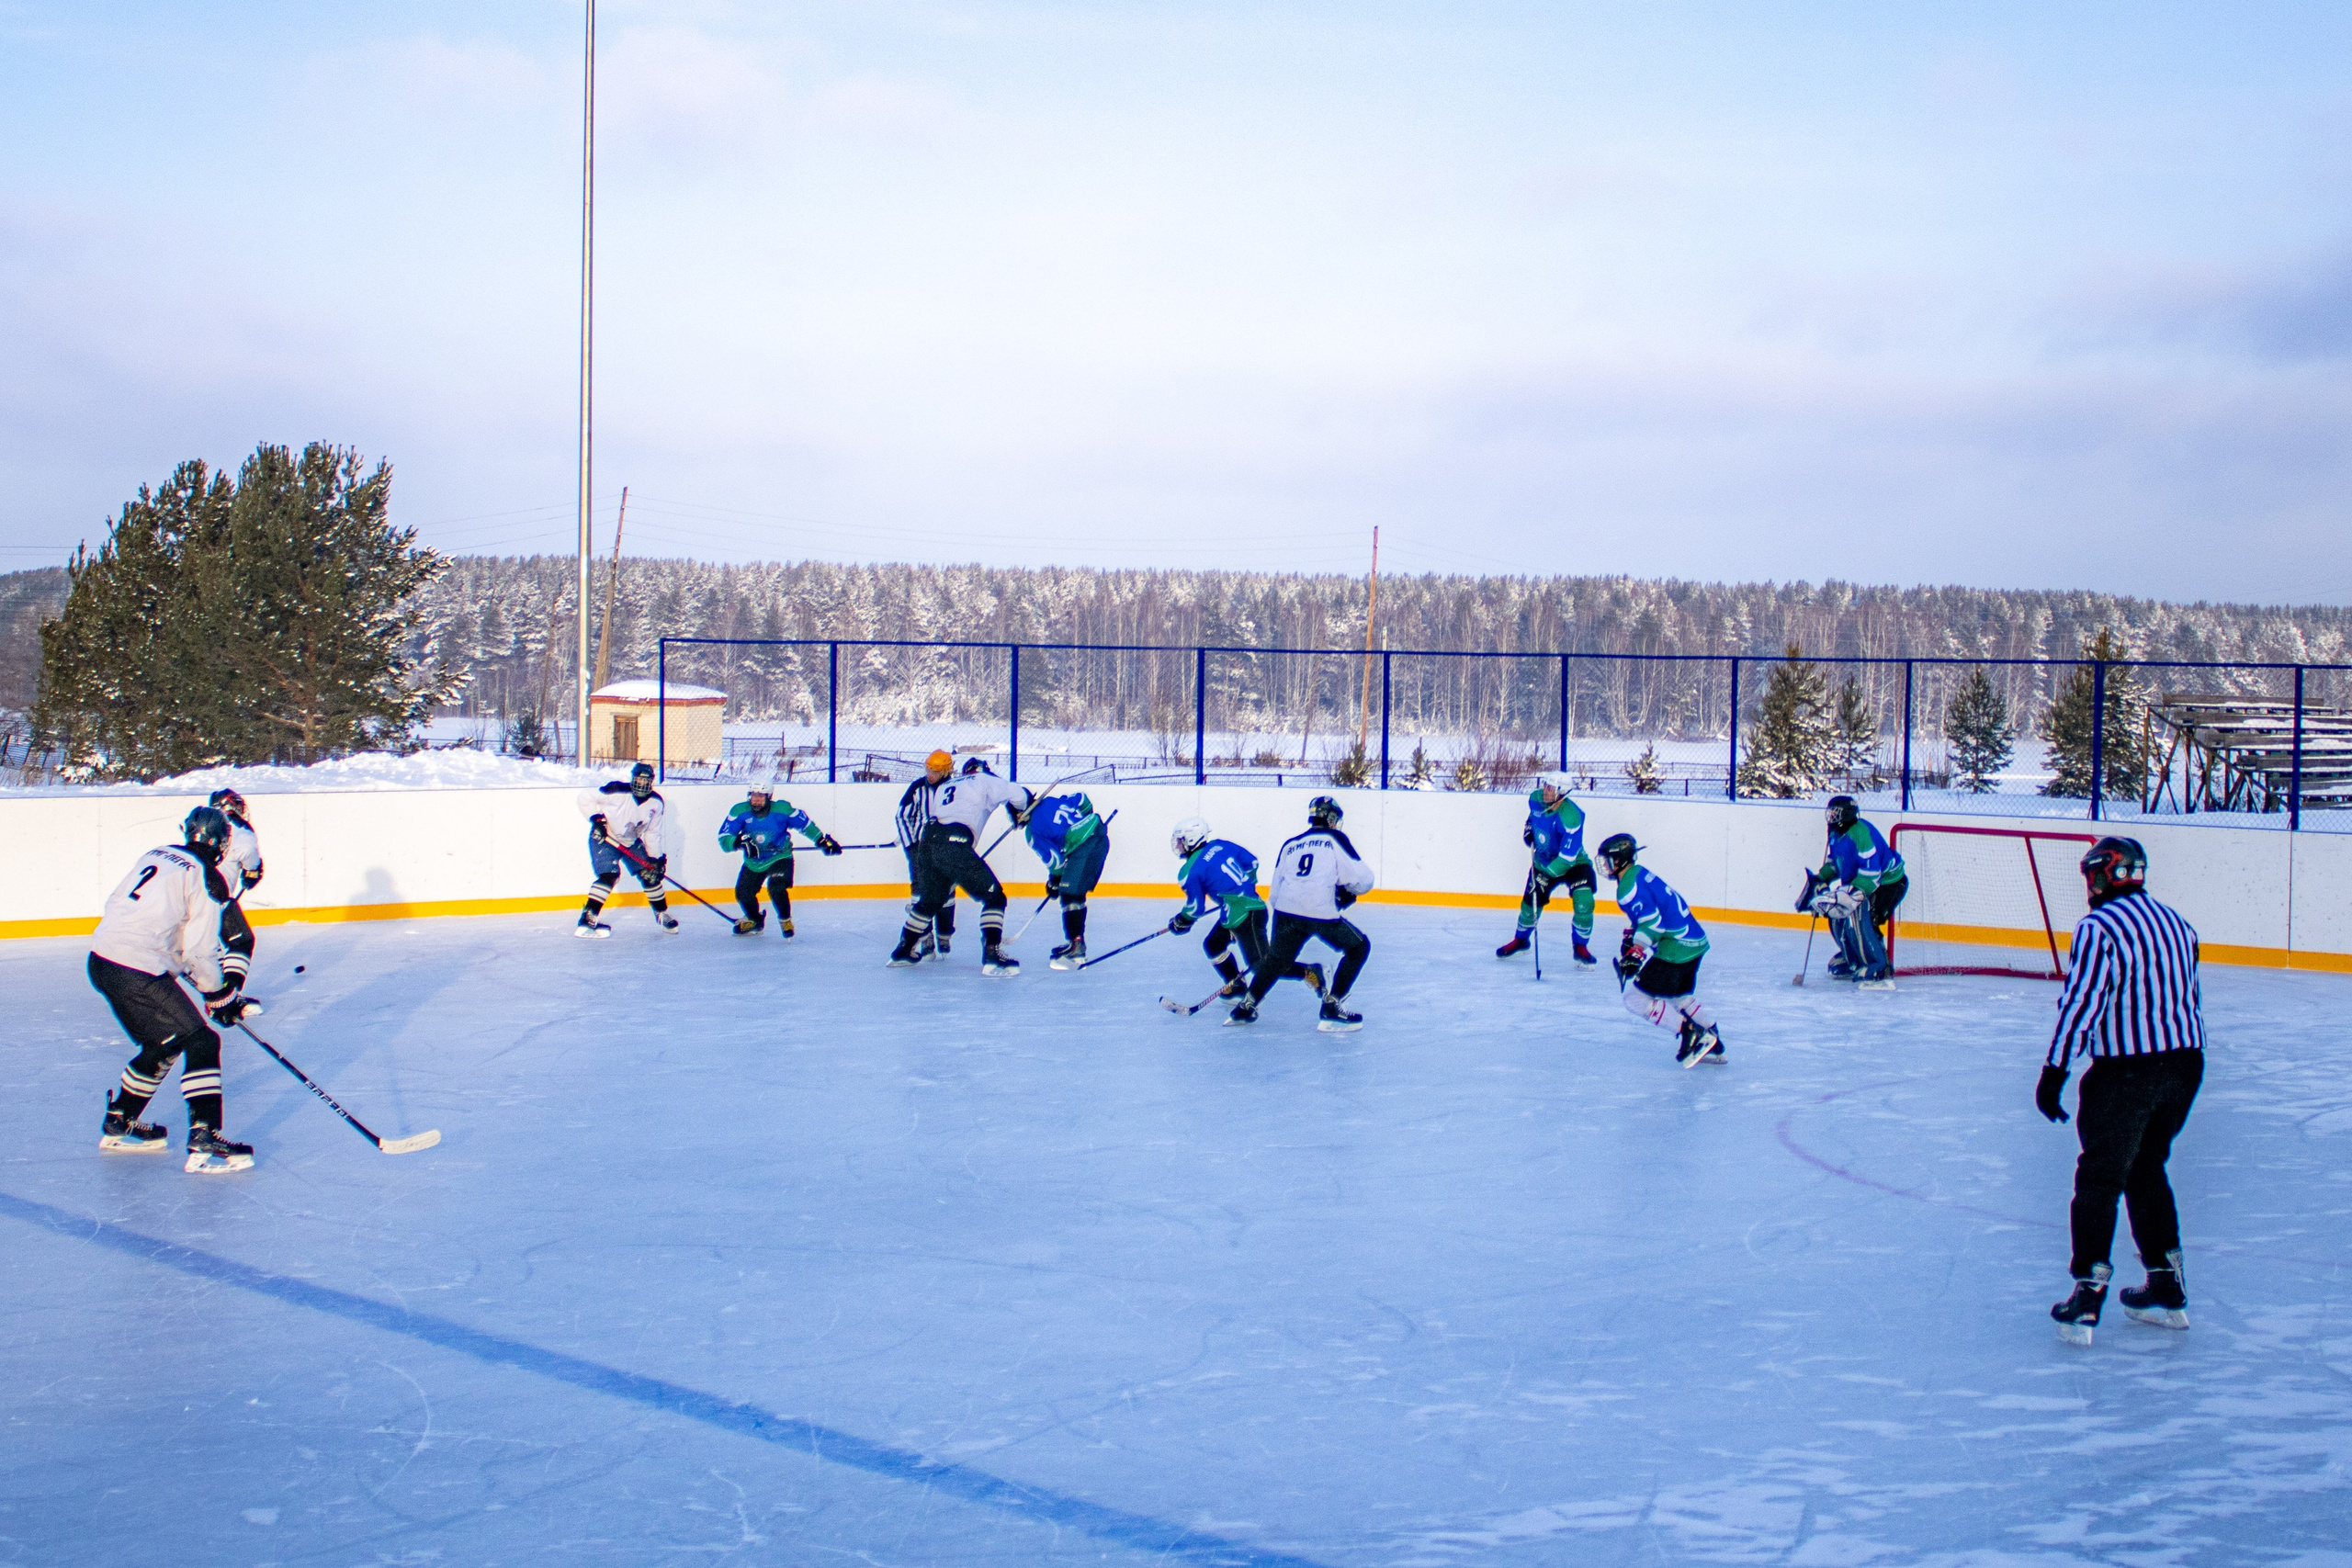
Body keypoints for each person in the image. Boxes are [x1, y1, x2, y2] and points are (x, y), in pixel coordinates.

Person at [2038, 836, 2205, 1347]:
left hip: (2127, 1072)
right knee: (2146, 1168)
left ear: (2101, 876)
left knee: (2100, 1178)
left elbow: (2080, 1003)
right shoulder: (2178, 922)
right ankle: (2166, 1286)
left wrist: (2055, 1071)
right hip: (2185, 1064)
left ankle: (2086, 1297)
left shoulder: (2099, 927)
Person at [88, 807, 255, 1173]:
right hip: (137, 968)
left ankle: (120, 1120)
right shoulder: (208, 879)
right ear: (222, 844)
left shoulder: (155, 853)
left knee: (163, 1042)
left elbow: (122, 907)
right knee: (202, 1041)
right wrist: (218, 995)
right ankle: (205, 1134)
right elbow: (199, 950)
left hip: (101, 961)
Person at [1227, 795, 1372, 1032]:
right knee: (1359, 947)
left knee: (1275, 960)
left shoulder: (1290, 844)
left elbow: (1274, 893)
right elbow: (1364, 880)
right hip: (1319, 910)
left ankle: (1246, 1006)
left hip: (1286, 909)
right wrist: (1347, 893)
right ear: (1332, 818)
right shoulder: (1335, 838)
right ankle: (1332, 1006)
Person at [890, 757, 1033, 974]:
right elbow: (1019, 796)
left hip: (928, 841)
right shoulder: (984, 779)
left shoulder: (947, 786)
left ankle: (904, 949)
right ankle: (992, 951)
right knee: (995, 897)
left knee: (929, 901)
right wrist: (1021, 813)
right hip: (955, 842)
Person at [1601, 833, 1724, 1066]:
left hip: (1676, 948)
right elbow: (1651, 912)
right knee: (1680, 997)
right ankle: (1715, 1046)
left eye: (1609, 860)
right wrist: (1633, 935)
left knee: (1635, 1000)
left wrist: (1637, 950)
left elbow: (1653, 922)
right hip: (1694, 941)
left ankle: (1690, 1033)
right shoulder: (1639, 873)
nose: (1606, 865)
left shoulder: (1627, 887)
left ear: (1620, 860)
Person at [1168, 817, 1323, 999]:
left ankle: (1308, 971)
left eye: (1180, 840)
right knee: (1213, 944)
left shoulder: (1189, 872)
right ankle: (1236, 985)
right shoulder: (1220, 845)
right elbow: (1252, 863)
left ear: (1191, 839)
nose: (1178, 845)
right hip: (1244, 909)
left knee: (1261, 966)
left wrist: (1181, 921)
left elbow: (1195, 908)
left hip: (1243, 914)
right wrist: (1244, 888)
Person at [1804, 795, 1907, 988]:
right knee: (1837, 912)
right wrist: (1821, 878)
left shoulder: (1861, 833)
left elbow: (1872, 874)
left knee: (1863, 917)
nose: (1831, 816)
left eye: (1836, 813)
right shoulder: (1836, 834)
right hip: (1862, 882)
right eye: (1830, 812)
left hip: (1888, 883)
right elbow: (1837, 863)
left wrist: (1848, 893)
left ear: (1847, 814)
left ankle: (1879, 967)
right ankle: (1853, 957)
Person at [1496, 772, 1597, 966]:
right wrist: (1528, 829)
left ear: (1562, 792)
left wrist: (1545, 876)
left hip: (1574, 863)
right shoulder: (1535, 799)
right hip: (1542, 861)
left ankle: (1580, 947)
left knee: (1584, 902)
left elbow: (1567, 858)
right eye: (1546, 786)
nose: (1545, 791)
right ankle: (1521, 941)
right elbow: (1533, 817)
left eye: (1551, 788)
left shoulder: (1572, 817)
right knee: (1529, 905)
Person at [718, 776, 840, 937]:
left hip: (780, 857)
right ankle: (754, 920)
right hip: (754, 861)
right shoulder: (739, 811)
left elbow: (805, 825)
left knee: (776, 887)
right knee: (743, 894)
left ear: (769, 796)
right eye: (753, 795)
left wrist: (821, 840)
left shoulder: (782, 810)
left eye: (760, 796)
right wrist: (739, 842)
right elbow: (724, 837)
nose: (756, 800)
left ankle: (785, 920)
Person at [575, 761, 674, 938]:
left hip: (630, 841)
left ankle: (661, 914)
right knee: (609, 875)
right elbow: (585, 797)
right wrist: (597, 819)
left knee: (649, 873)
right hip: (605, 838)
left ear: (651, 782)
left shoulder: (656, 803)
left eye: (646, 781)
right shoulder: (616, 790)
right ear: (633, 779)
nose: (642, 784)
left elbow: (653, 832)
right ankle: (588, 917)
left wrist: (655, 859)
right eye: (639, 780)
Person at [1020, 789, 1112, 969]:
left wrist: (1054, 880)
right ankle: (1076, 943)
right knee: (1074, 892)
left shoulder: (1032, 832)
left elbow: (1056, 862)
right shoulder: (1051, 801)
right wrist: (1084, 821)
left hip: (1086, 845)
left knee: (1070, 893)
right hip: (1099, 836)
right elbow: (1083, 799)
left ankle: (1076, 946)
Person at [209, 787, 266, 1010]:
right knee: (241, 941)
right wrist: (253, 872)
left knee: (209, 944)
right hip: (216, 897)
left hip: (188, 890)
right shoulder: (242, 830)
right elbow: (251, 865)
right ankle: (227, 1000)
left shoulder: (204, 825)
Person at [896, 751, 957, 957]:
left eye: (936, 771)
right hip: (921, 849)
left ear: (947, 771)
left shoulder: (957, 788)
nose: (930, 774)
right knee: (919, 891)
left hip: (947, 849)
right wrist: (911, 846)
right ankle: (924, 934)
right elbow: (902, 816)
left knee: (946, 892)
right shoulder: (917, 788)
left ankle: (945, 933)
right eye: (928, 769)